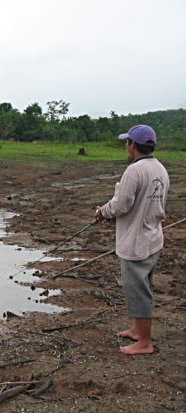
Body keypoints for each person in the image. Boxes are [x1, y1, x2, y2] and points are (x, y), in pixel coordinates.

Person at [94, 124, 169, 355]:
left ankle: (144, 342)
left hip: (137, 243)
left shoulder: (134, 171)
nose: (127, 145)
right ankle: (137, 330)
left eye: (127, 142)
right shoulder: (160, 169)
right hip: (152, 237)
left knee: (138, 290)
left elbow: (121, 204)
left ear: (133, 145)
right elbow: (142, 204)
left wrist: (102, 212)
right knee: (142, 286)